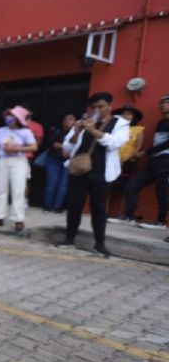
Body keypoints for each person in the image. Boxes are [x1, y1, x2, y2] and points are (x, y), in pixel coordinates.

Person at [58, 93, 129, 257]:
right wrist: (76, 132)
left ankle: (99, 243)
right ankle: (69, 239)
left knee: (98, 208)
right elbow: (67, 148)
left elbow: (116, 142)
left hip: (102, 172)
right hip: (80, 170)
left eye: (101, 106)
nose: (97, 110)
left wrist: (93, 131)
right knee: (74, 205)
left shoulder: (120, 123)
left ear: (110, 106)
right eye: (94, 107)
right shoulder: (82, 121)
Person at [110, 95, 169, 230]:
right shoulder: (160, 123)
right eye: (162, 103)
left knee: (162, 191)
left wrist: (146, 152)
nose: (163, 105)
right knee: (132, 185)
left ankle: (160, 222)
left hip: (166, 160)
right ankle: (128, 217)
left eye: (166, 103)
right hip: (154, 160)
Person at [0, 105, 38, 233]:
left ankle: (18, 219)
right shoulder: (1, 130)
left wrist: (16, 149)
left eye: (12, 115)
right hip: (2, 161)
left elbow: (33, 147)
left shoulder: (26, 132)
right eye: (8, 115)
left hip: (18, 162)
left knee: (18, 191)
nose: (9, 117)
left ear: (18, 119)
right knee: (1, 191)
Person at [43, 114, 76, 213]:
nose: (68, 121)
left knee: (63, 184)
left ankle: (58, 206)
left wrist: (62, 146)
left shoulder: (77, 133)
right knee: (52, 182)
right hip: (53, 159)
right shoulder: (55, 130)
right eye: (66, 119)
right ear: (63, 121)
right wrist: (66, 146)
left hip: (68, 161)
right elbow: (53, 144)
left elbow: (75, 146)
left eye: (71, 119)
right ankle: (47, 206)